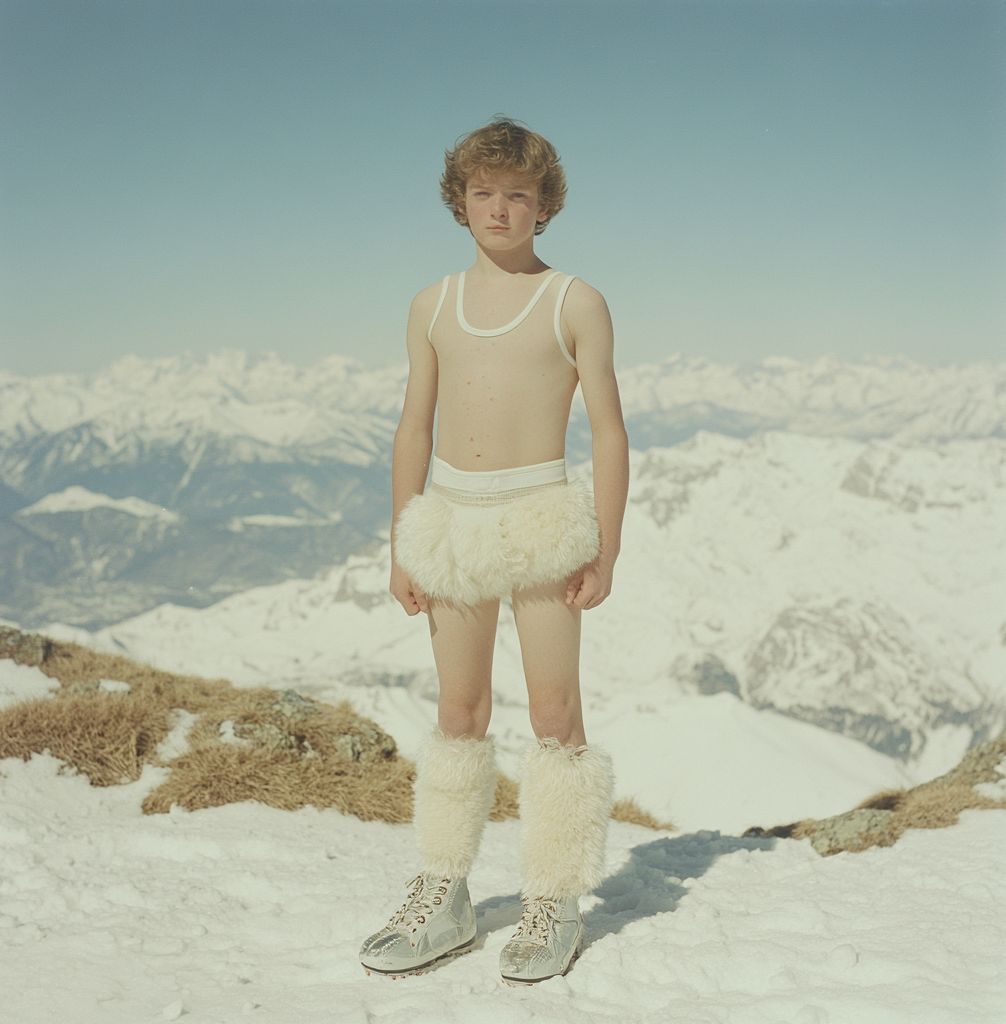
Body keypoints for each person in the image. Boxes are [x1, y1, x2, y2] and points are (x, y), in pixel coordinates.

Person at [359, 118, 629, 985]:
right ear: (460, 202)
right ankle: (446, 893)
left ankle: (554, 897)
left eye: (519, 193)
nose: (500, 208)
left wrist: (608, 545)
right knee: (458, 712)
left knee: (555, 713)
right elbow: (412, 427)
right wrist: (406, 538)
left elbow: (611, 434)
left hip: (543, 517)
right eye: (484, 192)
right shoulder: (431, 305)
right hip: (452, 521)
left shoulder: (574, 301)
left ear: (545, 204)